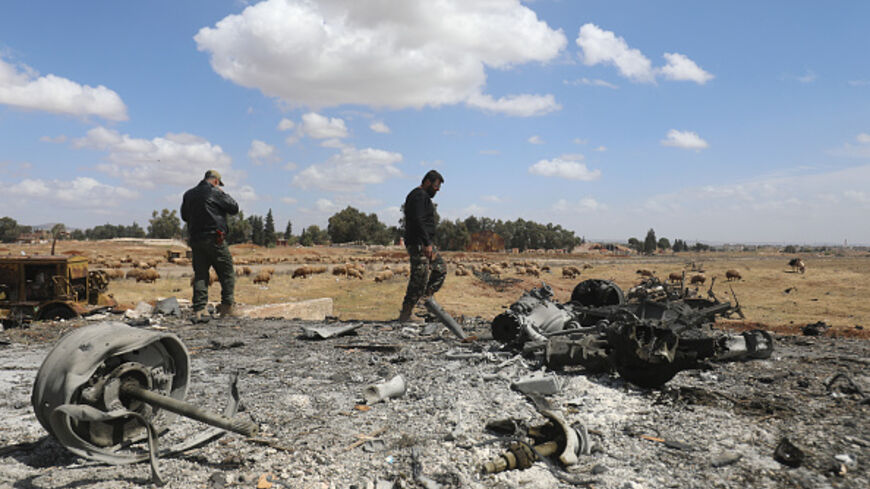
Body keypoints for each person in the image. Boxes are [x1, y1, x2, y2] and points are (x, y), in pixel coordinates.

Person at [181, 170, 239, 321]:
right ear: (215, 181)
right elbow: (234, 208)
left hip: (196, 240)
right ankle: (227, 307)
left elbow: (184, 216)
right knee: (226, 272)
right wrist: (221, 193)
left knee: (200, 274)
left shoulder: (189, 194)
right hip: (215, 239)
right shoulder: (215, 192)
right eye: (219, 183)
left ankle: (200, 309)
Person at [399, 170, 447, 322]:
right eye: (436, 185)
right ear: (427, 182)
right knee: (418, 279)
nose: (438, 189)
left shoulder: (423, 196)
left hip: (425, 243)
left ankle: (422, 302)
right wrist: (426, 243)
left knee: (440, 269)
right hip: (419, 243)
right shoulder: (418, 196)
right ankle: (406, 314)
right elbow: (418, 220)